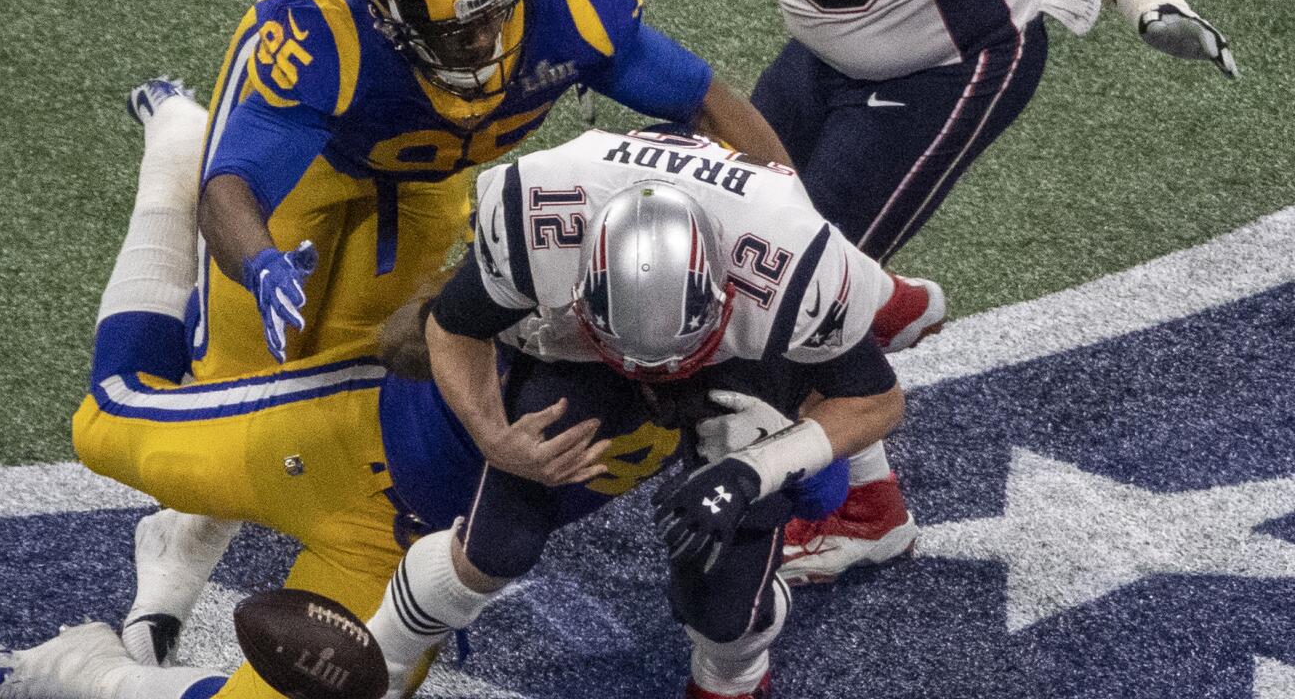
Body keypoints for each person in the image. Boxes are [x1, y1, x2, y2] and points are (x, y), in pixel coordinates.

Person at [0, 88, 845, 699]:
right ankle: (177, 155)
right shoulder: (539, 271)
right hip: (337, 446)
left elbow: (851, 403)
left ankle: (75, 666)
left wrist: (776, 467)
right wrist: (491, 420)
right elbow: (414, 338)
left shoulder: (763, 330)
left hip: (406, 546)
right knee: (105, 424)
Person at [610, 0, 1237, 585]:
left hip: (951, 61)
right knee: (727, 243)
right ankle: (877, 387)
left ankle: (806, 547)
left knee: (772, 300)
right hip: (826, 50)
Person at [364, 127, 906, 699]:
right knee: (498, 542)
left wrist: (754, 471)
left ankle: (732, 676)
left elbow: (878, 401)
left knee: (721, 601)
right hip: (590, 342)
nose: (653, 379)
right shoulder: (540, 218)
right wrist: (495, 439)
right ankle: (381, 660)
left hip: (731, 357)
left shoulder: (796, 269)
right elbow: (454, 326)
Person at [192, 0, 789, 382]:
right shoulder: (329, 39)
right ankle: (174, 146)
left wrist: (790, 205)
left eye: (495, 15)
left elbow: (704, 102)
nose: (485, 41)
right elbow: (231, 188)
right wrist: (258, 262)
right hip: (314, 167)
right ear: (390, 24)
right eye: (456, 33)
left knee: (370, 353)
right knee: (240, 364)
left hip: (423, 176)